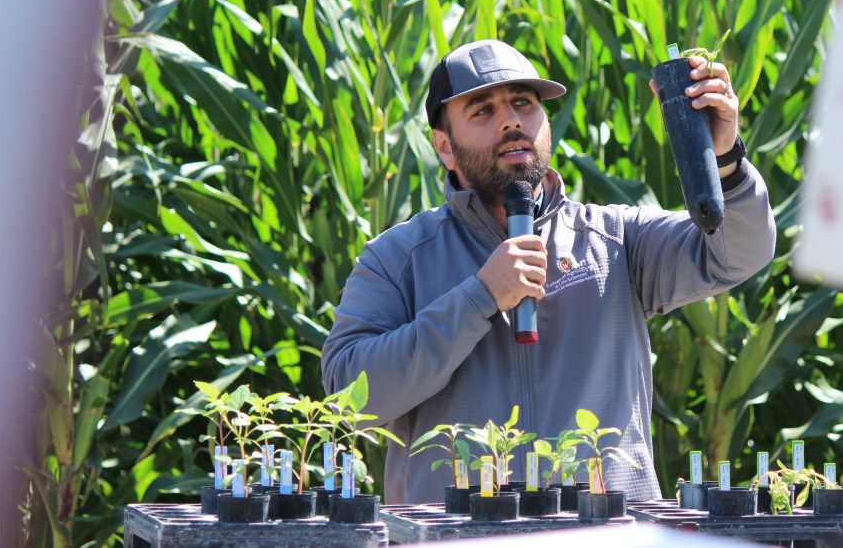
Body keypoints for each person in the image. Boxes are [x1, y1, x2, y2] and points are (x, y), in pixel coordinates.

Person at [321, 39, 776, 503]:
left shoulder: (616, 239)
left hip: (604, 533)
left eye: (523, 103)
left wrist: (724, 160)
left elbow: (739, 253)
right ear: (445, 147)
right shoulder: (398, 258)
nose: (512, 120)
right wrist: (479, 297)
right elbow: (346, 399)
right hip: (458, 535)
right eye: (483, 110)